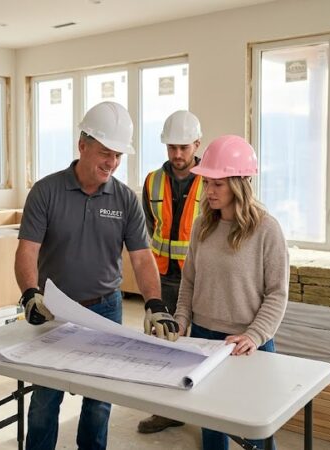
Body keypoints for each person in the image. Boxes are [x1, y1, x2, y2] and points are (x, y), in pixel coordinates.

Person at [15, 101, 180, 450]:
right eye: (106, 152)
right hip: (54, 310)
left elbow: (141, 257)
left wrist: (154, 302)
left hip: (106, 309)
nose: (112, 162)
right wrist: (30, 293)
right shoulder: (46, 191)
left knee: (99, 402)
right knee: (46, 399)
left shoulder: (124, 199)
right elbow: (27, 249)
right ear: (82, 145)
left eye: (118, 155)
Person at [174, 135, 288, 450]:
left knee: (256, 429)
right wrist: (181, 319)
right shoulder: (202, 226)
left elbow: (277, 294)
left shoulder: (267, 229)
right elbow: (189, 281)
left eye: (218, 184)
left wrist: (254, 335)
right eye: (207, 182)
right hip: (203, 336)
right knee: (212, 422)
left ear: (240, 183)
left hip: (247, 344)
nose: (208, 191)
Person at [136, 110, 203, 434]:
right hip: (162, 277)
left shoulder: (211, 180)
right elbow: (151, 227)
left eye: (184, 148)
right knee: (160, 346)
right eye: (171, 147)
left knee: (199, 345)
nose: (177, 155)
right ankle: (165, 411)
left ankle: (205, 409)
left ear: (196, 144)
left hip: (200, 280)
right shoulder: (152, 181)